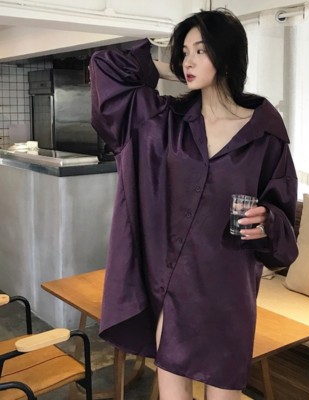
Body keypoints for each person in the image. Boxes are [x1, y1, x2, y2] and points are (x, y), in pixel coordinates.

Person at [90, 8, 298, 400]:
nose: (188, 61)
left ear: (227, 54)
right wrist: (171, 68)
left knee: (224, 394)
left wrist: (267, 221)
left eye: (201, 51)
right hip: (174, 286)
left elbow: (284, 228)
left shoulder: (265, 135)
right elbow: (106, 66)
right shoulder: (165, 122)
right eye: (184, 52)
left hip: (228, 291)